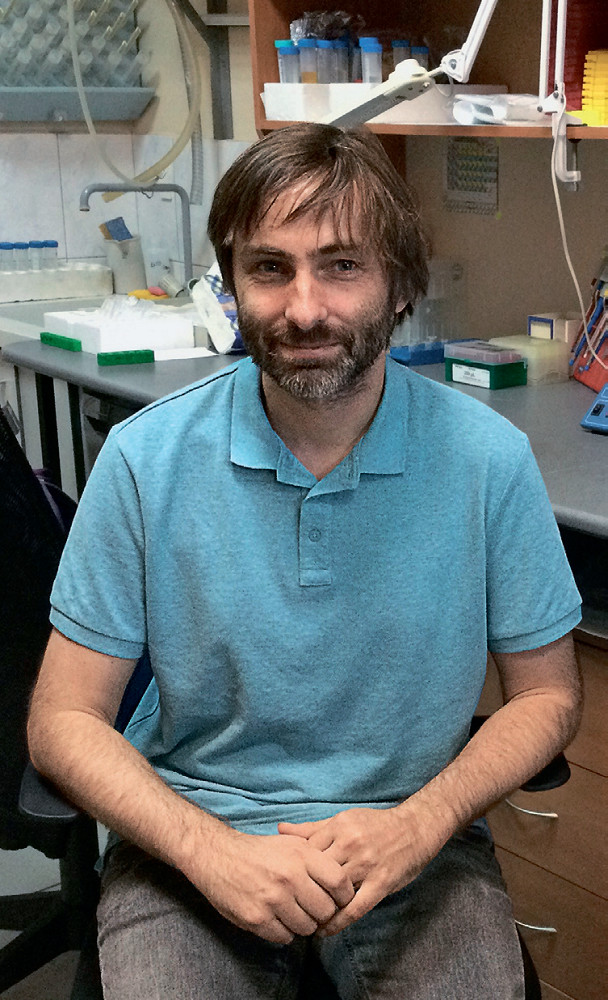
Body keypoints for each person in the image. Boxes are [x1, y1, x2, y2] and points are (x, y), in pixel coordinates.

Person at [28, 123, 582, 1000]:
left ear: (401, 285)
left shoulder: (488, 462)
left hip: (412, 843)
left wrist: (421, 825)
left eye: (343, 265)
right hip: (193, 842)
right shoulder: (144, 461)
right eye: (269, 268)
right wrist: (211, 853)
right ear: (232, 283)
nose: (305, 308)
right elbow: (63, 719)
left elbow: (548, 695)